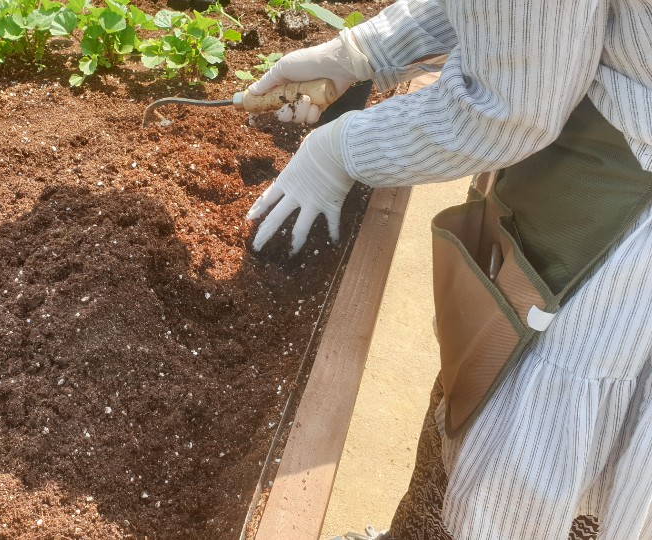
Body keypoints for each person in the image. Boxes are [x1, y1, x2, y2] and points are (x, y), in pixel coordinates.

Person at [244, 0, 652, 538]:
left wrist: (344, 148)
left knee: (533, 455)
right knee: (483, 370)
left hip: (611, 237)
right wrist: (362, 53)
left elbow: (512, 108)